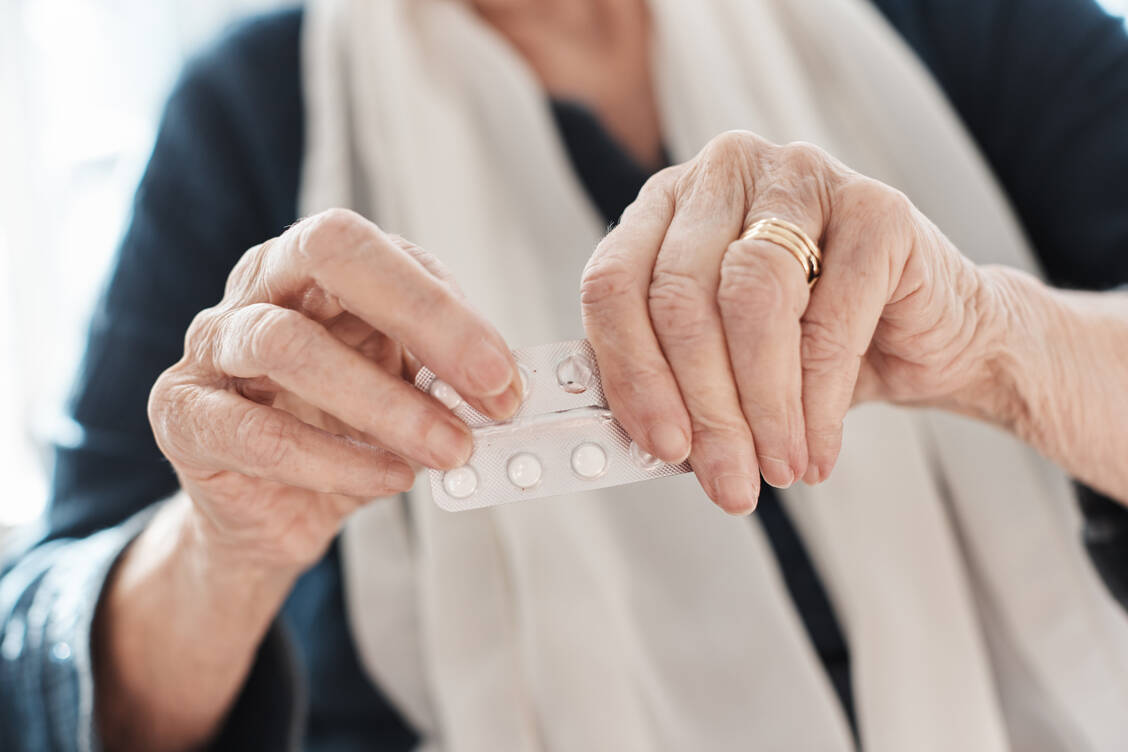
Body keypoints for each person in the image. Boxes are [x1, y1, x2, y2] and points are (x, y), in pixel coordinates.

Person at [3, 0, 1128, 749]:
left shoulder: (961, 23)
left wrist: (1006, 346)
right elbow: (42, 678)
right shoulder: (247, 117)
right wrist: (223, 553)